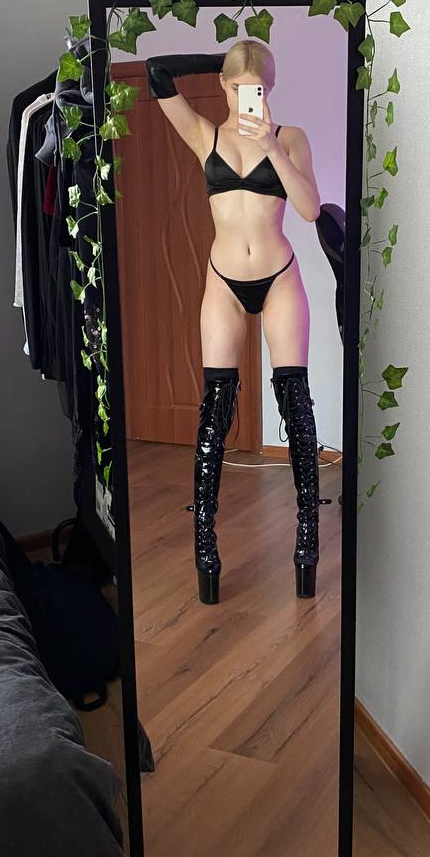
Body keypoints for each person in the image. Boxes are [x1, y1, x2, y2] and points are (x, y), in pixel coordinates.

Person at [146, 41, 323, 605]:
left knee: (296, 407)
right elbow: (156, 74)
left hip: (280, 278)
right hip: (223, 281)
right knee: (215, 411)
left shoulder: (290, 138)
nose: (250, 98)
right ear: (224, 87)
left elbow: (310, 209)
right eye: (240, 88)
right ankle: (205, 543)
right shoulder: (205, 136)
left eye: (260, 89)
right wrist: (219, 62)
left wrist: (271, 145)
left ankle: (307, 541)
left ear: (272, 89)